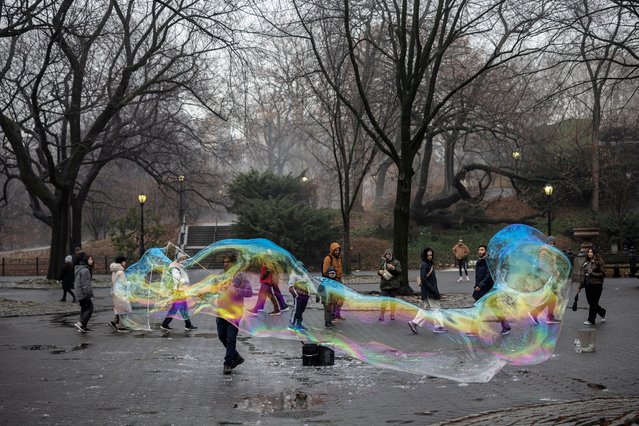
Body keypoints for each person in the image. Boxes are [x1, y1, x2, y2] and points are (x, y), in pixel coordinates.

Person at [217, 253, 251, 375]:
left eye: (228, 261)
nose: (226, 264)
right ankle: (236, 357)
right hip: (221, 311)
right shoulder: (221, 276)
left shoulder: (241, 276)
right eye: (224, 262)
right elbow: (215, 291)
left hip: (234, 311)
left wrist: (235, 290)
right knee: (221, 336)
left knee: (231, 338)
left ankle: (228, 363)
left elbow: (249, 292)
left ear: (234, 263)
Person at [470, 244, 511, 335]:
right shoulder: (479, 262)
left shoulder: (489, 262)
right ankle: (474, 329)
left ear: (486, 251)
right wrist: (476, 287)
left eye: (482, 250)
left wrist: (480, 285)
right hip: (480, 290)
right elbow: (478, 277)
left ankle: (505, 326)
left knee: (494, 309)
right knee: (478, 309)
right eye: (479, 250)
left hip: (487, 289)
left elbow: (489, 276)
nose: (480, 251)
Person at [408, 248, 447, 334]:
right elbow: (423, 279)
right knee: (436, 308)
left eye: (431, 255)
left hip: (426, 291)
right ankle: (438, 326)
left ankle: (414, 322)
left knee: (425, 309)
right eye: (428, 255)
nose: (430, 257)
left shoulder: (428, 264)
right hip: (429, 291)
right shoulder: (425, 265)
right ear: (425, 256)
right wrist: (433, 290)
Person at [160, 252, 197, 331]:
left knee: (182, 308)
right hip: (178, 291)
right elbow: (176, 280)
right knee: (177, 308)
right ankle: (166, 324)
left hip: (180, 291)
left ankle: (187, 324)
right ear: (178, 259)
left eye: (184, 259)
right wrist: (184, 281)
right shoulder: (175, 267)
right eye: (182, 259)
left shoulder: (180, 266)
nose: (184, 260)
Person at [579, 248, 606, 325]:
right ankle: (602, 312)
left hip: (597, 284)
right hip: (588, 285)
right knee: (591, 302)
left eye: (591, 252)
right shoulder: (586, 262)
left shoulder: (599, 262)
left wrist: (592, 273)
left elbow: (603, 274)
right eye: (588, 252)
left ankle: (591, 320)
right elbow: (584, 275)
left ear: (594, 253)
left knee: (594, 302)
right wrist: (580, 286)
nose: (589, 253)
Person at [322, 242, 345, 320]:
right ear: (332, 250)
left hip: (339, 279)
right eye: (335, 250)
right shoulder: (328, 258)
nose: (337, 252)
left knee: (341, 297)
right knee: (333, 299)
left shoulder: (339, 257)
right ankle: (332, 315)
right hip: (332, 280)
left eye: (338, 250)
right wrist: (332, 278)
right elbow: (325, 271)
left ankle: (337, 313)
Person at [108, 256, 131, 332]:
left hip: (116, 292)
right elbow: (123, 283)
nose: (125, 263)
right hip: (121, 293)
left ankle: (114, 322)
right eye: (124, 261)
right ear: (121, 262)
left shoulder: (114, 271)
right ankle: (121, 327)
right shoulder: (121, 272)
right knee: (123, 309)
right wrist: (129, 283)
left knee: (119, 309)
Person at [378, 248, 401, 321]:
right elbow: (378, 271)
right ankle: (382, 314)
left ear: (391, 255)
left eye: (389, 254)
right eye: (386, 254)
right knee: (383, 300)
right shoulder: (383, 262)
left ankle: (392, 314)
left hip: (393, 285)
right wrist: (379, 272)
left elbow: (399, 272)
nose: (387, 255)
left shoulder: (396, 262)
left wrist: (393, 268)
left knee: (392, 300)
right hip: (384, 285)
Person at [73, 253, 94, 333]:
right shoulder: (85, 270)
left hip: (79, 293)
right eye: (89, 259)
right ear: (85, 260)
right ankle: (81, 323)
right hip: (83, 293)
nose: (91, 260)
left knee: (84, 308)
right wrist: (88, 294)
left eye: (92, 259)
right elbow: (85, 284)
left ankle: (82, 326)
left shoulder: (80, 269)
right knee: (90, 308)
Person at [287, 262, 311, 331]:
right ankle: (292, 324)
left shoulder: (305, 275)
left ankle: (298, 324)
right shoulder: (293, 275)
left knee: (301, 310)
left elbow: (308, 284)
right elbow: (290, 286)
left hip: (305, 296)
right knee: (296, 310)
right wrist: (296, 295)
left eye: (302, 267)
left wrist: (308, 293)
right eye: (299, 267)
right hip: (298, 296)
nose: (300, 269)